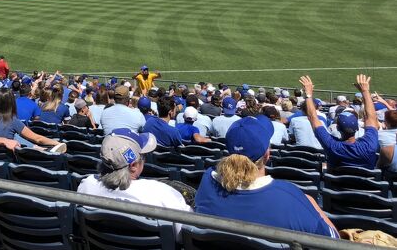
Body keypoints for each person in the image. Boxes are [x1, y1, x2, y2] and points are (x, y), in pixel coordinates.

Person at [194, 116, 338, 237]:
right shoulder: (288, 196)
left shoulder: (208, 180)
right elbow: (333, 239)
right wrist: (311, 203)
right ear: (267, 154)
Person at [77, 129, 191, 239]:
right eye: (143, 156)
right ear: (133, 166)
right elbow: (184, 235)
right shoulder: (161, 194)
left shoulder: (87, 184)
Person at [300, 74, 379, 170]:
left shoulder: (332, 145)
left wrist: (308, 94)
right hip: (366, 185)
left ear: (337, 128)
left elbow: (313, 118)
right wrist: (365, 91)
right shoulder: (370, 144)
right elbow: (371, 118)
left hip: (334, 184)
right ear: (358, 127)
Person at [0, 88, 65, 152]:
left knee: (15, 135)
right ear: (11, 102)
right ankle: (39, 148)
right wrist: (56, 142)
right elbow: (37, 138)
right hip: (3, 159)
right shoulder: (13, 121)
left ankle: (37, 147)